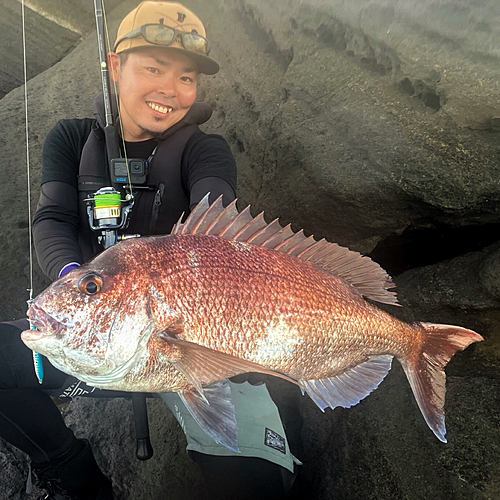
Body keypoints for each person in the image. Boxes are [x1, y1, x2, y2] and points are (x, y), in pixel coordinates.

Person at [0, 2, 300, 499]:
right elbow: (53, 218)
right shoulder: (72, 138)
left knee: (257, 485)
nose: (169, 90)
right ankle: (70, 469)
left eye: (186, 77)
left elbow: (217, 228)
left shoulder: (207, 150)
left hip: (191, 344)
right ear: (116, 66)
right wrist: (84, 285)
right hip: (90, 344)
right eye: (153, 68)